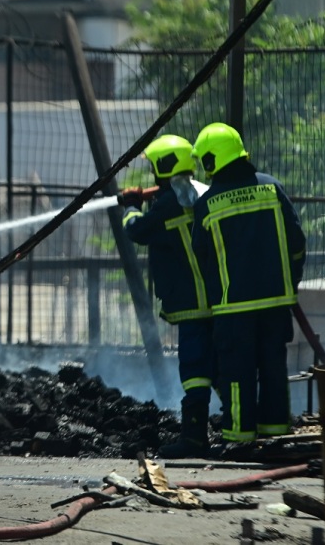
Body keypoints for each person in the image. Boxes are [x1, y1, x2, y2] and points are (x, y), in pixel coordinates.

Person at [190, 122, 306, 446]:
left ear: (212, 160)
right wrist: (290, 282)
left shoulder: (207, 205)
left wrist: (216, 295)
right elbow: (297, 241)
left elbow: (202, 258)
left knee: (237, 373)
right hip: (276, 302)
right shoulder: (272, 188)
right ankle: (275, 437)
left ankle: (239, 439)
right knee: (273, 369)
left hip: (234, 307)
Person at [119, 134, 215, 459]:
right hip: (218, 301)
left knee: (195, 372)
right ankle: (233, 428)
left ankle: (194, 439)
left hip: (190, 303)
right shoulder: (201, 195)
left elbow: (136, 230)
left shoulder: (166, 205)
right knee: (221, 367)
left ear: (162, 166)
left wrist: (131, 206)